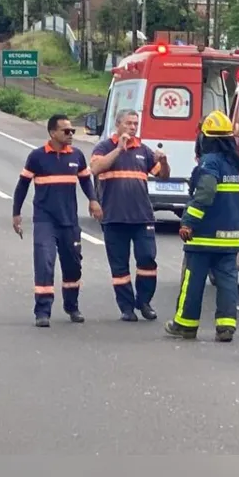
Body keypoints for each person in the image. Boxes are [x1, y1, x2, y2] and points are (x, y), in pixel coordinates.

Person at [12, 114, 103, 327]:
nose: (71, 134)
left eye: (72, 131)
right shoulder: (37, 157)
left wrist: (93, 200)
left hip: (69, 222)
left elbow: (85, 180)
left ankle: (72, 306)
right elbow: (22, 185)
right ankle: (42, 311)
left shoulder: (77, 156)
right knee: (45, 262)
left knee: (73, 266)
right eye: (66, 131)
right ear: (53, 133)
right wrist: (16, 213)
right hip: (45, 220)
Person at [165, 110, 239, 342]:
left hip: (204, 236)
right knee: (228, 283)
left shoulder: (211, 162)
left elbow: (206, 193)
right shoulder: (233, 163)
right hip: (229, 237)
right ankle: (226, 327)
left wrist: (188, 221)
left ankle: (186, 325)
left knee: (193, 281)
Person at [90, 109, 170, 322]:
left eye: (136, 123)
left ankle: (143, 301)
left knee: (147, 259)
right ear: (118, 125)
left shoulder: (143, 150)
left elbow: (162, 175)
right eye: (129, 123)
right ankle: (126, 308)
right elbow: (96, 168)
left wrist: (165, 161)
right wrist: (119, 149)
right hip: (114, 217)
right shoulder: (103, 147)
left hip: (142, 217)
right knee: (119, 267)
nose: (133, 127)